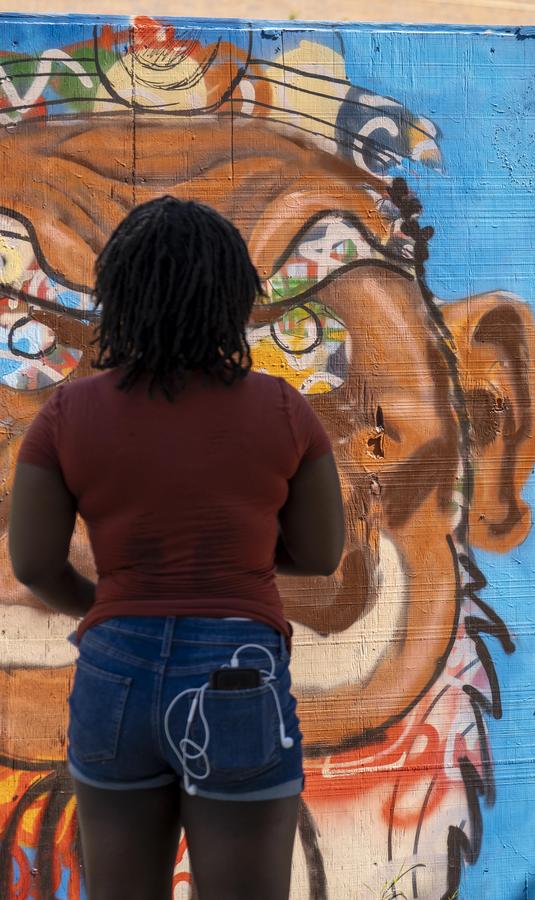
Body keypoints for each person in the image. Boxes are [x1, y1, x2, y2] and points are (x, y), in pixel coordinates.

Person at [9, 197, 345, 900]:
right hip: (237, 674)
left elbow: (35, 563)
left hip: (115, 668)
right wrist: (236, 559)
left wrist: (108, 602)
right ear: (232, 299)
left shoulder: (66, 415)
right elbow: (319, 553)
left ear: (120, 295)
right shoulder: (285, 411)